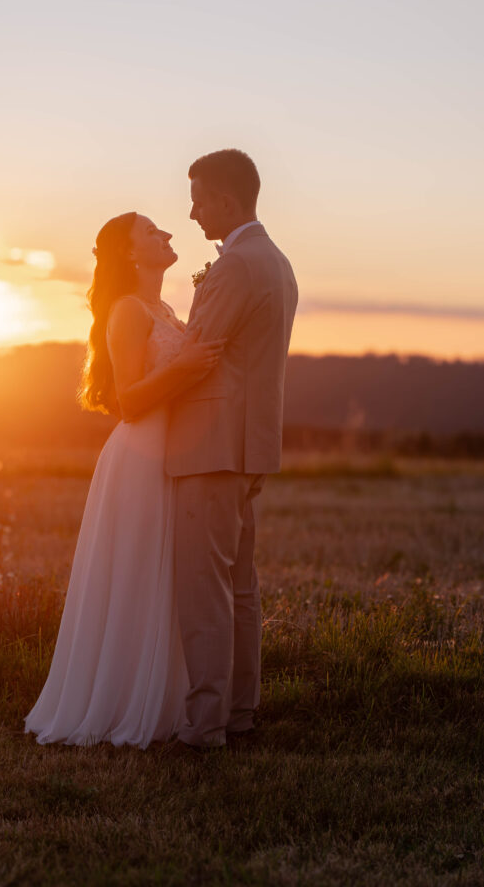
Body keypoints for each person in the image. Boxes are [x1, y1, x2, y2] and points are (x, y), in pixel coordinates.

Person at [24, 211, 225, 747]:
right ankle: (117, 703)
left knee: (162, 578)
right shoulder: (128, 311)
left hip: (172, 454)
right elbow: (129, 402)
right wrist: (186, 368)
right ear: (131, 254)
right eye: (152, 232)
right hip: (140, 457)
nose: (166, 235)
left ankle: (160, 698)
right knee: (136, 574)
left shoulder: (161, 308)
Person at [166, 148, 298, 750]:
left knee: (205, 590)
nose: (192, 213)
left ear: (225, 198)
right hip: (250, 445)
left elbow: (199, 351)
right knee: (240, 587)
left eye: (198, 199)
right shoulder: (276, 261)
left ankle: (205, 725)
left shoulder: (236, 266)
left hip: (213, 446)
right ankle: (239, 713)